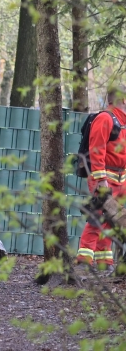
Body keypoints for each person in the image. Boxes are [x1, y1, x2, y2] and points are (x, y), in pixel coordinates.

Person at [76, 85, 126, 276]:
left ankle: (105, 262)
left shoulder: (123, 122)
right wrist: (101, 181)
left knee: (111, 222)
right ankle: (83, 262)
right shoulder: (105, 118)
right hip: (105, 179)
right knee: (97, 219)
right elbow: (96, 151)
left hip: (120, 179)